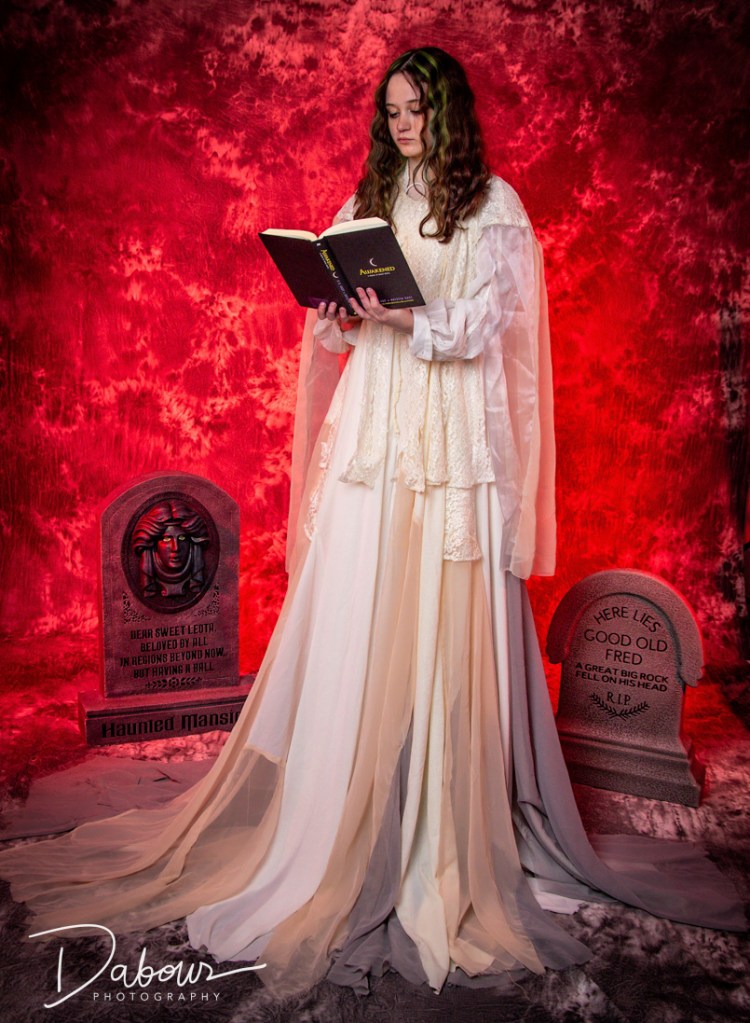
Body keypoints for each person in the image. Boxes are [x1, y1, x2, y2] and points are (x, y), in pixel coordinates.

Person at [0, 47, 743, 999]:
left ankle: (438, 830)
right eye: (389, 111)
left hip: (449, 448)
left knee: (440, 630)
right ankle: (345, 813)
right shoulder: (371, 198)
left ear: (447, 111)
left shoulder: (496, 207)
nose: (400, 126)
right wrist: (342, 310)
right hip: (379, 435)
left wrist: (399, 320)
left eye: (415, 109)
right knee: (362, 619)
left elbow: (484, 325)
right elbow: (339, 326)